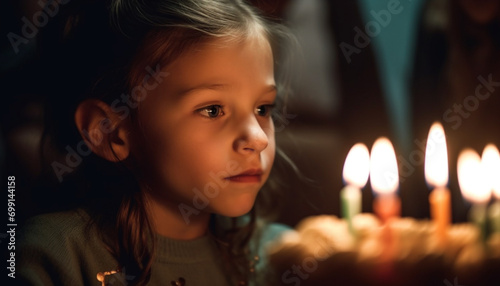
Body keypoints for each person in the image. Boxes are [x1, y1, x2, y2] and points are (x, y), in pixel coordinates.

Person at [17, 0, 296, 285]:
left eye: (263, 109)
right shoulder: (53, 256)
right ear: (110, 131)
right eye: (212, 110)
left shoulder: (284, 254)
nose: (259, 139)